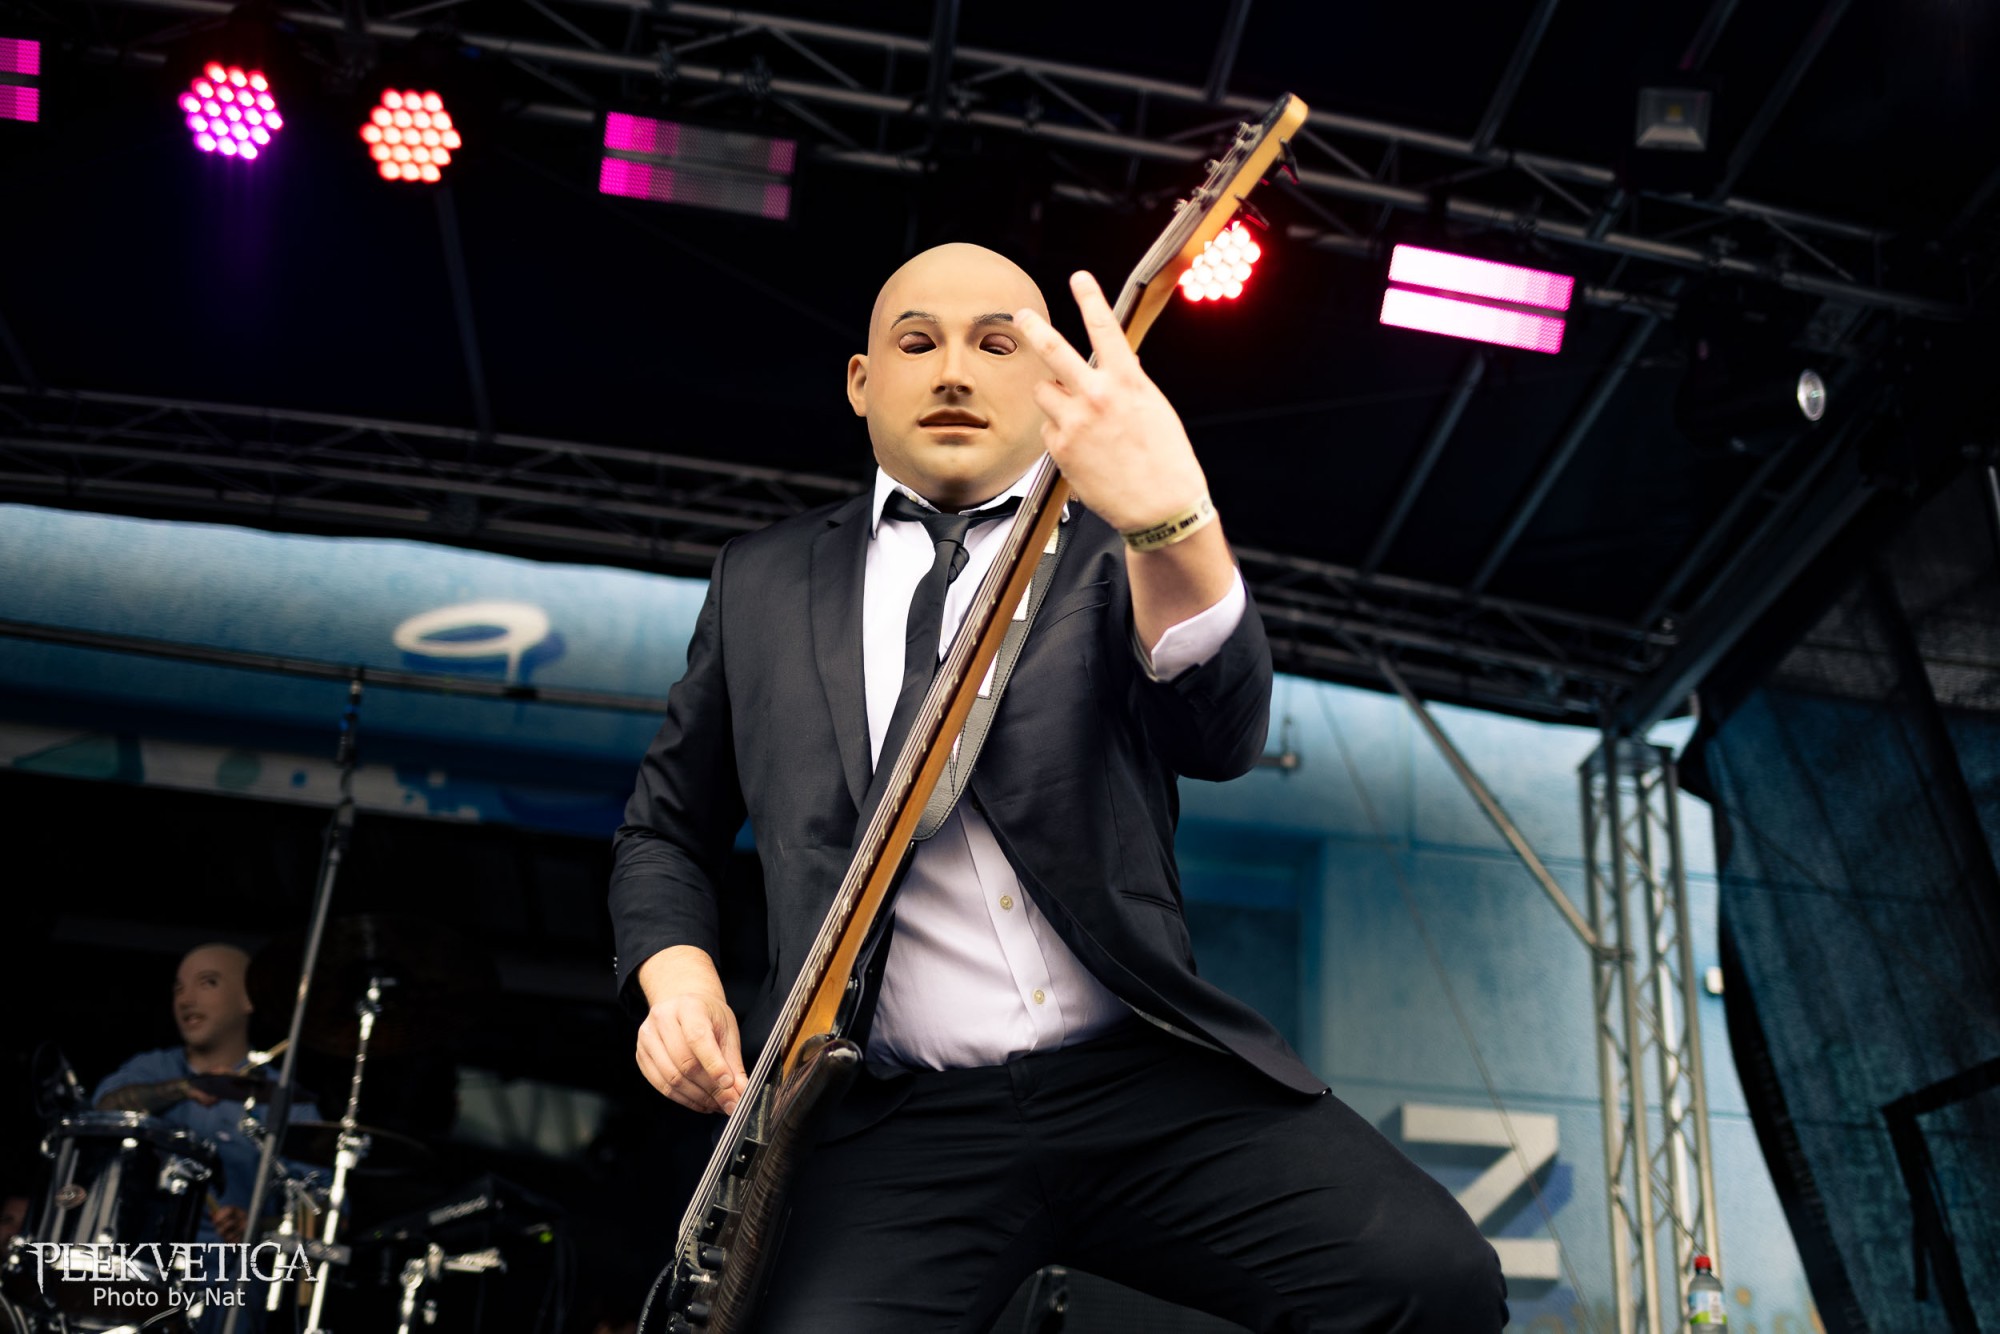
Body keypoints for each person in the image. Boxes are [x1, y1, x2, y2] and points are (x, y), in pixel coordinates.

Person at [610, 243, 1508, 1332]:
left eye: (996, 344)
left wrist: (1174, 523)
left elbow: (1219, 731)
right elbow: (665, 829)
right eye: (917, 343)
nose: (954, 371)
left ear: (1047, 384)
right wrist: (676, 976)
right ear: (860, 382)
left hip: (1138, 1077)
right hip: (889, 1117)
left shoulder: (1116, 549)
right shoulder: (757, 579)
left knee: (1432, 1278)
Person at [94, 943, 321, 1324]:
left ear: (249, 999)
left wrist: (258, 1225)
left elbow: (324, 1210)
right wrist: (185, 1088)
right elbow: (103, 1112)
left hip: (228, 1280)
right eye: (178, 988)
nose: (186, 999)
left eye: (208, 983)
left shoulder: (286, 1102)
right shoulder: (153, 1069)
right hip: (130, 1262)